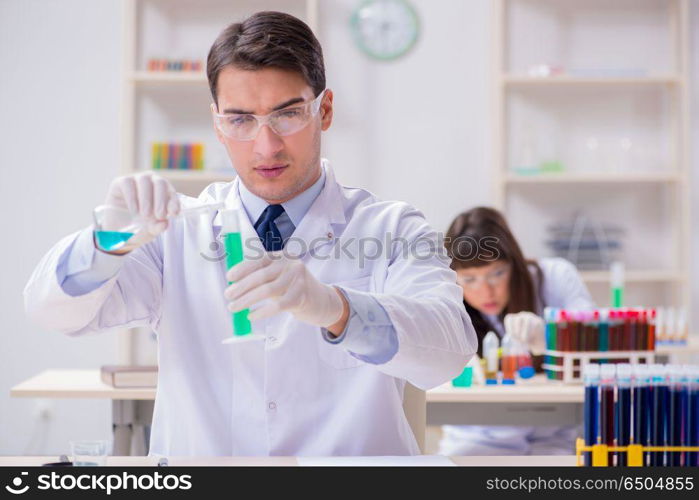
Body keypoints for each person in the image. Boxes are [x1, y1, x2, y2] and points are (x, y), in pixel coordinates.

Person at [23, 11, 476, 457]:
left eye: (288, 114)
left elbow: (447, 354)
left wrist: (336, 308)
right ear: (218, 124)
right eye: (240, 120)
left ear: (326, 109)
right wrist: (106, 243)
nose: (266, 146)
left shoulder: (391, 228)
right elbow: (54, 313)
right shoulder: (175, 231)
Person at [438, 206, 594, 456]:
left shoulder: (555, 277)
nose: (486, 292)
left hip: (552, 435)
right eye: (469, 279)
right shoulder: (447, 300)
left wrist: (550, 338)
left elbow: (597, 344)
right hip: (477, 436)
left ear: (515, 263)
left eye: (497, 273)